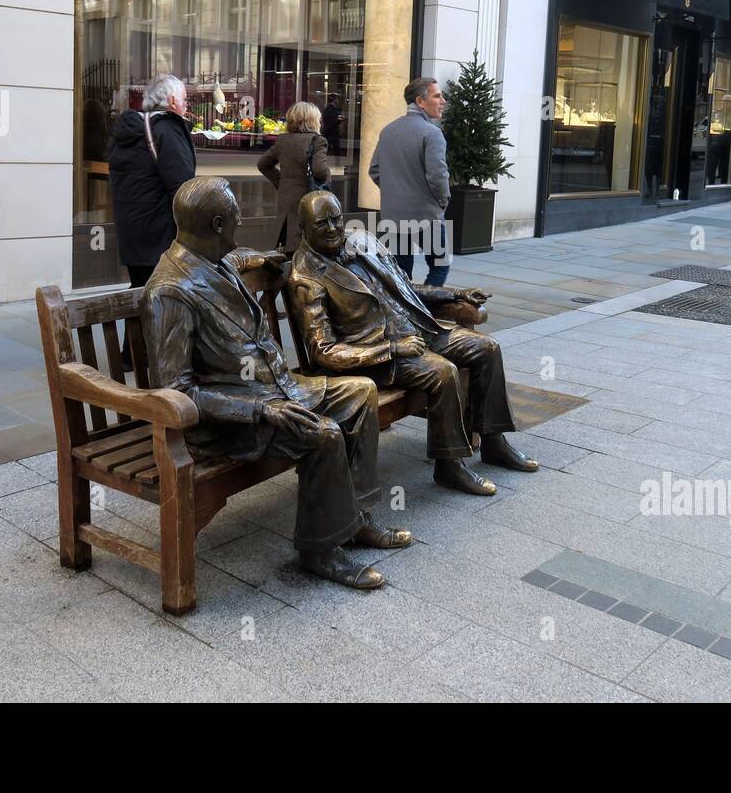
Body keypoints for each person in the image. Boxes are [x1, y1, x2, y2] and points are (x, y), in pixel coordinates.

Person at [141, 178, 412, 592]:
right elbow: (176, 392)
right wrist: (260, 410)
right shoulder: (170, 292)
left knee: (360, 393)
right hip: (228, 423)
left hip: (277, 389)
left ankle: (356, 519)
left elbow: (238, 258)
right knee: (323, 435)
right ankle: (320, 550)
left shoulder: (214, 258)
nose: (240, 225)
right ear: (216, 224)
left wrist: (262, 257)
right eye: (235, 220)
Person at [289, 191, 535, 498]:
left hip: (419, 328)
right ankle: (449, 465)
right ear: (302, 228)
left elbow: (406, 288)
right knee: (442, 371)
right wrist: (392, 349)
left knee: (487, 348)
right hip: (378, 354)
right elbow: (322, 351)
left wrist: (455, 295)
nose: (333, 228)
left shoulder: (361, 241)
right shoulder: (305, 277)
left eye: (336, 219)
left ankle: (494, 441)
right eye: (322, 223)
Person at [108, 74, 196, 291]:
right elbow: (183, 186)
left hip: (132, 233)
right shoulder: (166, 129)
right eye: (185, 99)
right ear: (173, 101)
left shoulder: (128, 130)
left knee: (141, 291)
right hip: (162, 235)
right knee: (165, 299)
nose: (186, 105)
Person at [368, 77, 451, 285]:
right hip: (427, 215)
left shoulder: (388, 130)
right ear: (420, 101)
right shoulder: (433, 133)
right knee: (440, 266)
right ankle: (425, 312)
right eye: (437, 95)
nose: (443, 101)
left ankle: (407, 314)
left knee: (401, 273)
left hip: (394, 215)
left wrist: (395, 192)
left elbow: (374, 170)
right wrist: (442, 202)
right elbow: (438, 176)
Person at [256, 101, 331, 252]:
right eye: (318, 119)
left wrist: (282, 182)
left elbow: (263, 164)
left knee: (288, 246)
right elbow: (320, 171)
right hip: (309, 203)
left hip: (286, 201)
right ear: (312, 121)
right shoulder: (317, 141)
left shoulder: (282, 140)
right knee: (308, 249)